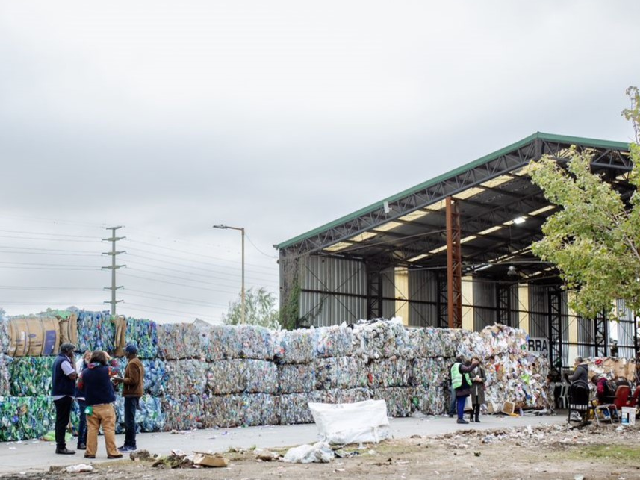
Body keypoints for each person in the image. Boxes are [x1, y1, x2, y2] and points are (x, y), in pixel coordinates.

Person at [78, 350, 123, 459]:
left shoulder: (84, 372)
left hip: (90, 405)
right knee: (108, 429)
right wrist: (111, 358)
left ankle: (90, 452)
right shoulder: (107, 370)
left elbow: (79, 386)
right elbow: (117, 370)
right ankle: (112, 452)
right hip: (105, 405)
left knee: (91, 429)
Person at [113, 344, 144, 452]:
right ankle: (128, 443)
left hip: (132, 394)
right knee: (129, 419)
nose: (124, 353)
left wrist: (121, 380)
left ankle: (130, 444)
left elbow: (133, 380)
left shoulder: (132, 364)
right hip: (135, 393)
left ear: (129, 353)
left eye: (126, 352)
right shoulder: (137, 362)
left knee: (129, 420)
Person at [51, 343, 78, 455]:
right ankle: (61, 446)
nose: (73, 353)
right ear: (67, 351)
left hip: (59, 394)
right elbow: (72, 375)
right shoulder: (64, 361)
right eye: (72, 350)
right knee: (63, 421)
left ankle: (60, 444)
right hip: (64, 394)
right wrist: (75, 370)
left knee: (60, 421)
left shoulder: (58, 360)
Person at [450, 355, 479, 424]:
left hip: (457, 386)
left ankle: (460, 417)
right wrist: (474, 364)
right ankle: (460, 418)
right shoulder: (459, 366)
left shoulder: (453, 367)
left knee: (459, 402)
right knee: (461, 402)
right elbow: (468, 369)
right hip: (461, 386)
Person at [75, 350, 92, 450]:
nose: (89, 358)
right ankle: (80, 442)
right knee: (84, 418)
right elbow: (77, 380)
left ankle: (86, 441)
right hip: (82, 397)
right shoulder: (80, 365)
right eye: (88, 356)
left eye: (91, 356)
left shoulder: (93, 366)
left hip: (90, 398)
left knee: (89, 419)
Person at [567, 356, 589, 425]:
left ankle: (575, 413)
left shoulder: (580, 368)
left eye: (575, 361)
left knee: (574, 400)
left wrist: (568, 377)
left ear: (579, 362)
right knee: (582, 402)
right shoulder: (585, 368)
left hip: (579, 387)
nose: (574, 362)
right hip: (584, 387)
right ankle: (581, 415)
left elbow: (574, 377)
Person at [469, 356, 485, 422]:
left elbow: (485, 378)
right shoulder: (469, 369)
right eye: (473, 360)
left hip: (479, 388)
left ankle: (477, 418)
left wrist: (481, 379)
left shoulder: (481, 369)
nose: (474, 362)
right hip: (472, 388)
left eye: (476, 360)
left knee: (478, 403)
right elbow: (467, 379)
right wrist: (473, 379)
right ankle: (471, 417)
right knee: (472, 403)